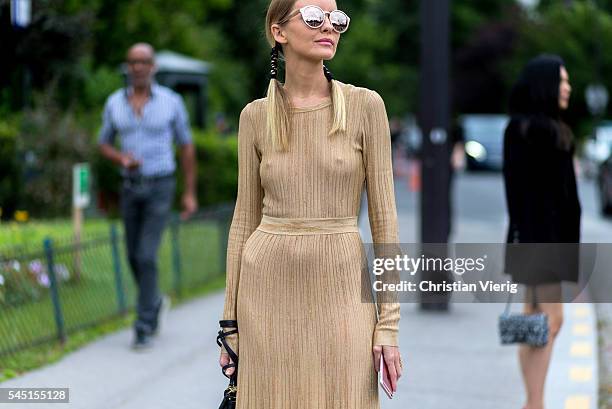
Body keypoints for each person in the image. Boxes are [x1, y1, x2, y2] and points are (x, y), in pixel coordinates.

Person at [217, 1, 403, 407]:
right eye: (315, 17)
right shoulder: (255, 116)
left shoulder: (365, 107)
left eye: (337, 19)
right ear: (279, 32)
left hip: (342, 292)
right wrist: (229, 324)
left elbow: (385, 223)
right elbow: (244, 220)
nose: (330, 27)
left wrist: (388, 324)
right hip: (265, 292)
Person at [98, 43, 198, 349]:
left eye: (143, 62)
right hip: (130, 186)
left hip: (160, 185)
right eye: (133, 62)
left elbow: (186, 147)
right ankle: (153, 301)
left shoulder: (171, 102)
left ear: (153, 66)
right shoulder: (114, 103)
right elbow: (103, 143)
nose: (138, 67)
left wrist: (189, 193)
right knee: (132, 255)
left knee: (146, 254)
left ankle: (143, 324)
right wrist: (120, 159)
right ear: (128, 67)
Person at [503, 54, 581, 409]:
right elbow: (556, 199)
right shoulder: (548, 132)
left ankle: (533, 401)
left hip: (527, 238)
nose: (567, 87)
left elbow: (516, 194)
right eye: (562, 81)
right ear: (546, 85)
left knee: (532, 320)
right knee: (552, 318)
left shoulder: (518, 128)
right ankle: (535, 403)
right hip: (546, 241)